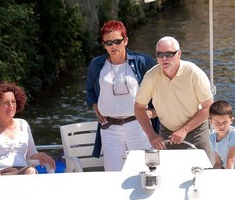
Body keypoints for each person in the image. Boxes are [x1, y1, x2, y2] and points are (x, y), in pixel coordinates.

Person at [85, 20, 156, 171]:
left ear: (126, 41)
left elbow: (161, 88)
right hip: (109, 128)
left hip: (138, 125)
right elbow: (90, 90)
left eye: (117, 41)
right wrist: (96, 107)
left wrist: (154, 111)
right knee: (113, 174)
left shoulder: (142, 61)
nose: (113, 46)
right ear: (103, 45)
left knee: (143, 171)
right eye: (108, 43)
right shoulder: (96, 65)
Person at [134, 37, 213, 155]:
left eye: (169, 54)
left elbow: (208, 107)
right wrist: (152, 136)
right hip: (166, 133)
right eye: (159, 54)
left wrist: (184, 130)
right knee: (168, 172)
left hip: (196, 131)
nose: (164, 58)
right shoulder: (151, 76)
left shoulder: (193, 72)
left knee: (202, 171)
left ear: (179, 54)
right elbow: (139, 108)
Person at [0, 83, 55, 175]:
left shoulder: (23, 124)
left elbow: (31, 154)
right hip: (0, 174)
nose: (11, 106)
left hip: (24, 171)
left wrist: (41, 155)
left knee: (31, 171)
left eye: (13, 102)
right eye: (6, 103)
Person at [208, 99, 235, 169]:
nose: (221, 126)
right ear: (210, 122)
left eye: (225, 122)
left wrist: (228, 179)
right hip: (228, 169)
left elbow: (230, 160)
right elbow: (218, 162)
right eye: (217, 123)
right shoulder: (212, 137)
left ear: (231, 120)